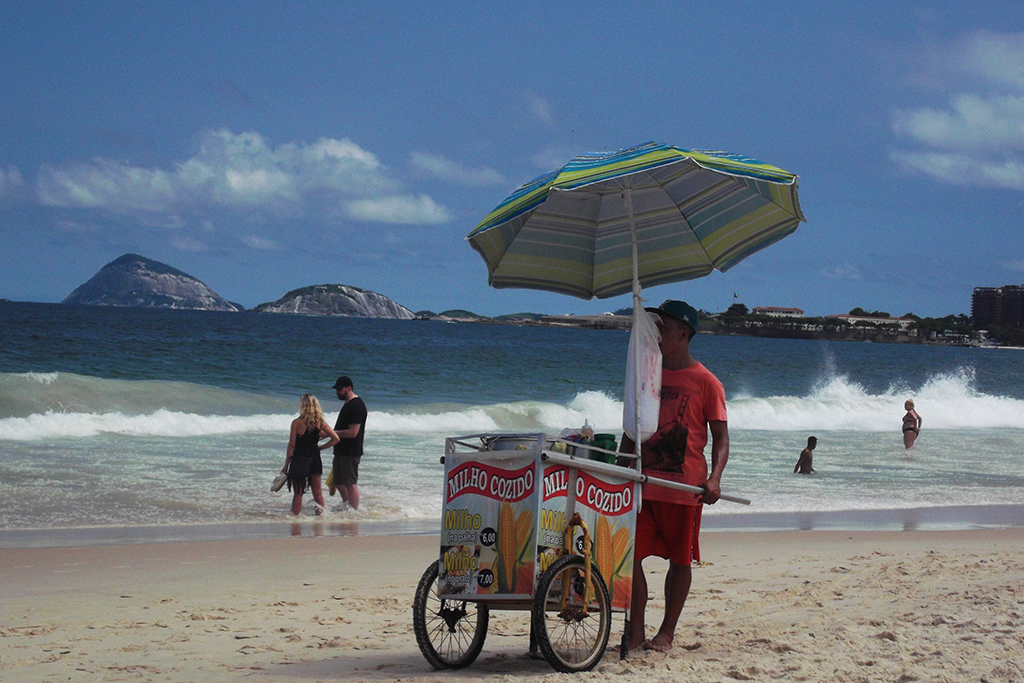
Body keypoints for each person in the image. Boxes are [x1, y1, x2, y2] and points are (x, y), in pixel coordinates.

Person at [619, 300, 729, 653]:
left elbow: (721, 438)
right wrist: (620, 468)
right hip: (642, 485)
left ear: (684, 334)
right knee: (630, 557)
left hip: (684, 489)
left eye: (662, 328)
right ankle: (636, 631)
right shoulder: (647, 374)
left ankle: (666, 632)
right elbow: (631, 428)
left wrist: (715, 478)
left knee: (681, 561)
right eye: (654, 328)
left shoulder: (707, 382)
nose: (657, 334)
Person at [282, 394, 339, 516]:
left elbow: (292, 445)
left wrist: (286, 465)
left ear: (303, 406)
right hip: (315, 459)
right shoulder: (320, 422)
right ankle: (321, 520)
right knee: (317, 493)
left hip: (300, 459)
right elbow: (336, 438)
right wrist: (321, 448)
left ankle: (294, 520)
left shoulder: (296, 423)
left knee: (298, 493)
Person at [331, 375, 367, 510]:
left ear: (349, 388)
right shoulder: (348, 404)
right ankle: (347, 505)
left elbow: (353, 432)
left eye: (340, 389)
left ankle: (354, 510)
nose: (337, 392)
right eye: (336, 389)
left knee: (350, 482)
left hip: (351, 450)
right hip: (341, 449)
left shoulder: (356, 406)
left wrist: (331, 433)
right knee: (338, 481)